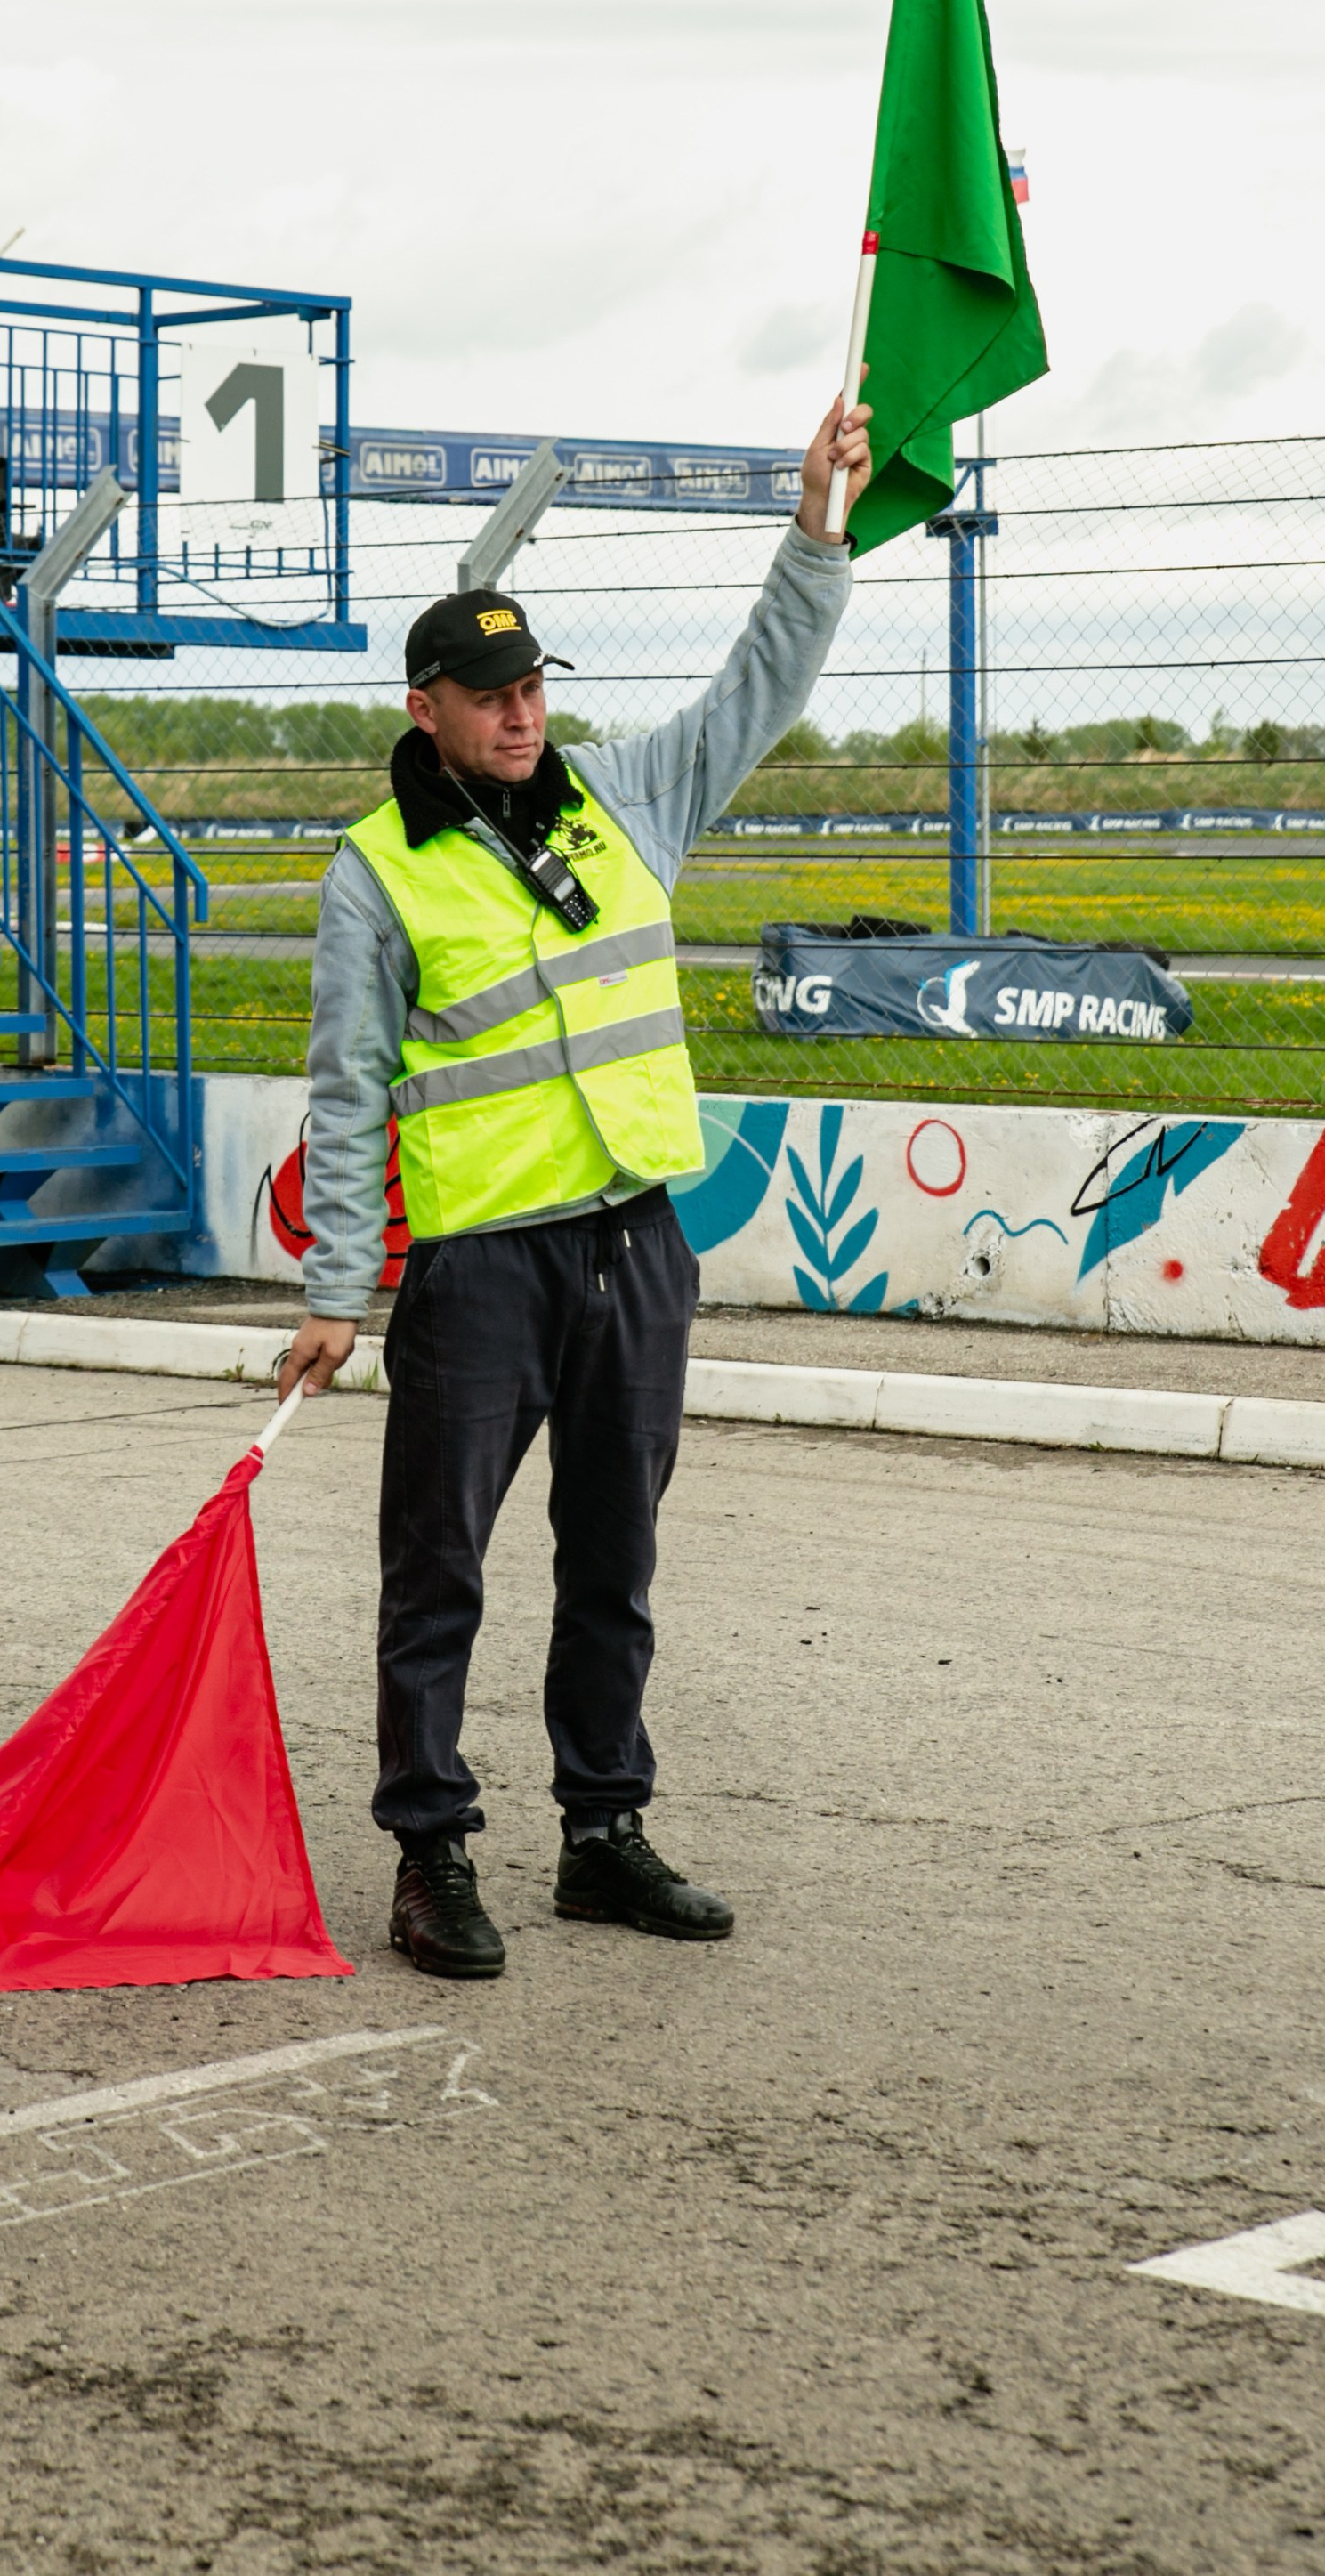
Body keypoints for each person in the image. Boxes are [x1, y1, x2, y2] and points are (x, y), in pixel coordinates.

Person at [277, 393, 873, 1979]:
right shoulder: (376, 869)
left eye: (534, 682)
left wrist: (814, 534)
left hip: (636, 1247)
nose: (523, 709)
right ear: (428, 707)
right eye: (491, 692)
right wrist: (341, 1290)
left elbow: (764, 684)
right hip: (480, 1271)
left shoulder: (624, 799)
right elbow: (347, 1094)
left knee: (616, 1561)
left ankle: (602, 1832)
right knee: (441, 1570)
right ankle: (431, 1851)